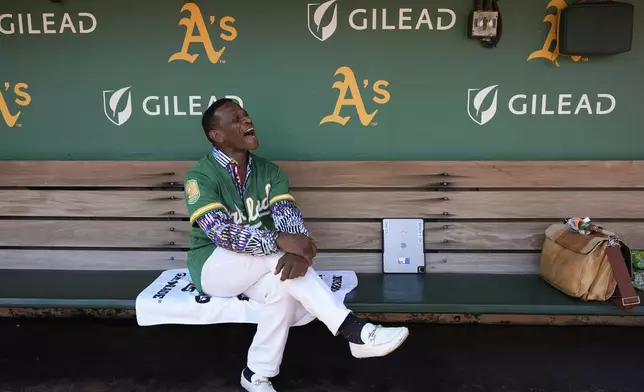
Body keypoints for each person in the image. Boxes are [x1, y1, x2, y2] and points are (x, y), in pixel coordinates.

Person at [183, 98, 409, 392]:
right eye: (236, 119)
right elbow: (221, 233)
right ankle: (355, 331)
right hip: (213, 267)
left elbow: (288, 218)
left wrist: (297, 250)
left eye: (246, 114)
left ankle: (256, 374)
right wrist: (281, 242)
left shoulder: (270, 172)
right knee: (276, 261)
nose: (247, 121)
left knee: (283, 285)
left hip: (259, 265)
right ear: (217, 135)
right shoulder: (200, 175)